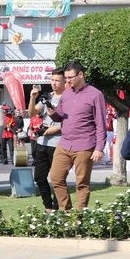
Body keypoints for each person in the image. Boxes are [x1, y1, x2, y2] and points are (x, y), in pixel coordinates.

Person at [47, 61, 107, 210]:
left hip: (85, 145)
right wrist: (52, 112)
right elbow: (60, 116)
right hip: (65, 143)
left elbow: (101, 124)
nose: (67, 81)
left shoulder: (96, 94)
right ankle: (66, 211)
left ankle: (78, 217)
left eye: (70, 77)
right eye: (65, 78)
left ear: (81, 75)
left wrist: (99, 148)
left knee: (82, 183)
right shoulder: (66, 93)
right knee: (55, 177)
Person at [28, 70, 65, 211]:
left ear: (64, 82)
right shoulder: (47, 97)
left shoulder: (68, 98)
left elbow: (71, 121)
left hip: (58, 144)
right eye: (52, 80)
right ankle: (48, 207)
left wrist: (56, 129)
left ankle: (56, 207)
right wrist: (33, 98)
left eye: (57, 80)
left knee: (57, 178)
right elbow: (31, 113)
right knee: (39, 177)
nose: (54, 83)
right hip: (42, 143)